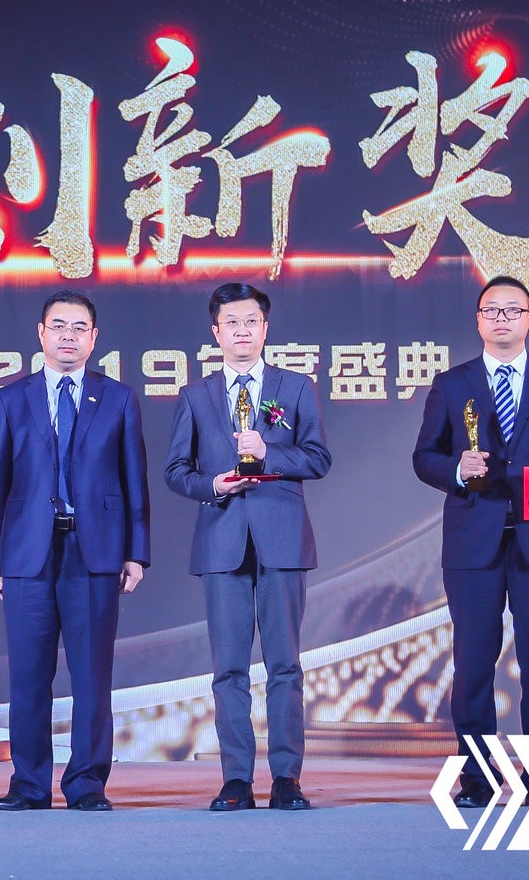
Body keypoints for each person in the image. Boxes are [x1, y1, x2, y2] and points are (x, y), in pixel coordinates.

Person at [412, 275, 529, 810]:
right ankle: (476, 776)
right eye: (491, 310)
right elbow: (424, 457)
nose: (502, 318)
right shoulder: (452, 385)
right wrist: (457, 470)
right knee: (473, 663)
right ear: (478, 320)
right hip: (474, 541)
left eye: (512, 310)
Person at [0, 290, 150, 812]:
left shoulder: (118, 398)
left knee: (92, 675)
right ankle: (29, 785)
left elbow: (135, 482)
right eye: (59, 326)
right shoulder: (12, 398)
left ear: (94, 339)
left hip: (95, 552)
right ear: (41, 334)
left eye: (79, 328)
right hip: (26, 553)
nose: (68, 336)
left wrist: (136, 552)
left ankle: (87, 783)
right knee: (28, 676)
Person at [164, 282, 330, 811]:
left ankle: (286, 778)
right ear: (216, 332)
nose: (242, 331)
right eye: (231, 323)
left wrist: (270, 451)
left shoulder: (295, 387)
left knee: (285, 665)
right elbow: (176, 470)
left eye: (251, 321)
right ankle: (236, 778)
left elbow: (318, 458)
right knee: (228, 669)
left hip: (282, 539)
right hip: (222, 540)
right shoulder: (196, 395)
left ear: (265, 328)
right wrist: (212, 485)